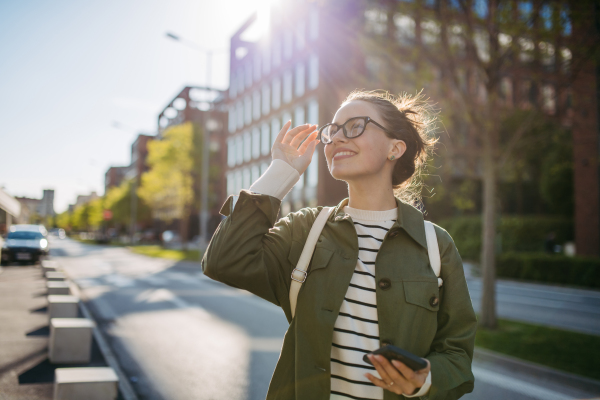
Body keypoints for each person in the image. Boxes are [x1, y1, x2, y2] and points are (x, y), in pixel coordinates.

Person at [202, 90, 477, 400]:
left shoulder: (435, 245)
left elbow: (457, 355)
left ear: (395, 148)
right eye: (331, 131)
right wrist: (281, 172)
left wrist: (425, 380)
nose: (335, 139)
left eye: (355, 126)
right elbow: (223, 260)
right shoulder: (306, 229)